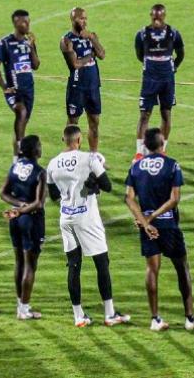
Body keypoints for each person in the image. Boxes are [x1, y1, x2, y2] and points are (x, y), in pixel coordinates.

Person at [47, 125, 130, 327]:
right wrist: (93, 185)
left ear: (64, 139)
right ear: (79, 139)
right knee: (102, 262)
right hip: (87, 217)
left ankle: (78, 316)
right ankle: (109, 314)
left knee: (73, 265)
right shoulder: (90, 158)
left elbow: (54, 195)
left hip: (66, 218)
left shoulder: (52, 163)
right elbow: (108, 186)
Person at [125, 127, 194, 332]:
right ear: (162, 144)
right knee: (182, 268)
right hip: (168, 224)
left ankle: (155, 319)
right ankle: (189, 318)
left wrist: (145, 221)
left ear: (145, 145)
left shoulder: (136, 167)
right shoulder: (172, 165)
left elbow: (129, 198)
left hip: (148, 228)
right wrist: (152, 217)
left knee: (152, 269)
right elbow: (175, 199)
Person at [2, 135, 47, 320]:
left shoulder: (15, 167)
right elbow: (39, 203)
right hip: (31, 220)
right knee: (30, 265)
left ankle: (20, 304)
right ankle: (24, 310)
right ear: (35, 150)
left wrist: (18, 206)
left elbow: (4, 193)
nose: (41, 148)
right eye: (39, 145)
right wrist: (23, 209)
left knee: (19, 261)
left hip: (15, 219)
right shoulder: (40, 172)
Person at [135, 4, 184, 158]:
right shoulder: (142, 34)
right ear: (151, 16)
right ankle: (139, 153)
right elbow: (140, 54)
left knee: (166, 113)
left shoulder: (173, 33)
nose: (156, 19)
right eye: (154, 17)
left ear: (164, 16)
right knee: (144, 115)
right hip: (149, 79)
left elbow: (181, 53)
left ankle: (162, 150)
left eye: (159, 16)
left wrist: (173, 67)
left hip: (167, 80)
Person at [0, 10, 39, 153]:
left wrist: (32, 47)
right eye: (23, 22)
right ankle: (19, 152)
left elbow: (36, 65)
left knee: (22, 123)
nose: (27, 24)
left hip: (28, 89)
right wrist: (4, 87)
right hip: (14, 90)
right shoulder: (5, 43)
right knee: (21, 112)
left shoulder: (28, 42)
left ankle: (17, 157)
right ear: (15, 23)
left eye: (28, 21)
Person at [62, 7, 106, 152]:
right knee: (73, 122)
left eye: (85, 18)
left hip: (93, 85)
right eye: (81, 19)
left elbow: (102, 54)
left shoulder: (91, 36)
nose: (84, 21)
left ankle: (94, 155)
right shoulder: (67, 40)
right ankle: (72, 154)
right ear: (73, 19)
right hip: (77, 86)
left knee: (94, 121)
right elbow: (75, 64)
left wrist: (92, 38)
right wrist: (91, 55)